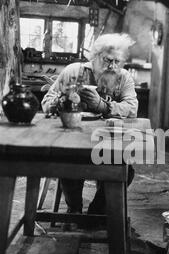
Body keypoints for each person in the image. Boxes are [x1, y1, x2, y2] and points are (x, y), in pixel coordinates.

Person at [41, 33, 138, 220]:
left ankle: (97, 211)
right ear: (94, 57)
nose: (112, 66)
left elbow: (132, 108)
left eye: (117, 61)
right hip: (73, 138)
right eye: (107, 60)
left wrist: (102, 105)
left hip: (106, 142)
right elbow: (47, 103)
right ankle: (75, 209)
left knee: (126, 169)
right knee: (69, 162)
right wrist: (64, 100)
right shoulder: (74, 71)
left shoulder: (123, 77)